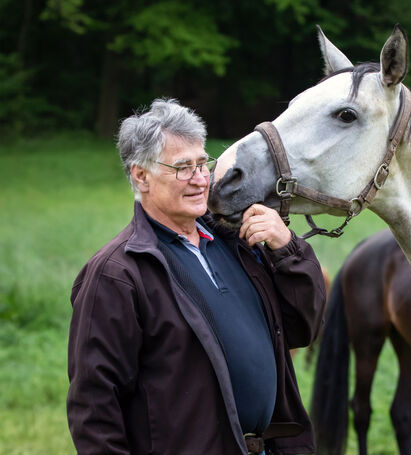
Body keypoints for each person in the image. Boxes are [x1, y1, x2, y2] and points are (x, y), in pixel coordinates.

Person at [66, 98, 326, 455]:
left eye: (203, 163)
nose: (202, 179)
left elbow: (303, 328)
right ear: (141, 175)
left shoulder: (240, 243)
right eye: (183, 168)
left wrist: (287, 249)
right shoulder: (116, 274)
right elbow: (93, 407)